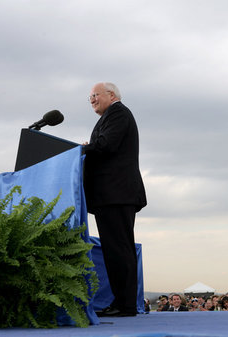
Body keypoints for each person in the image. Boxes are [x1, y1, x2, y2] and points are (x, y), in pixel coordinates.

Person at [83, 82, 147, 317]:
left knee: (119, 249)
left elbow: (107, 145)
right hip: (110, 195)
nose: (91, 99)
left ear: (111, 95)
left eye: (94, 95)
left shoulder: (118, 112)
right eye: (89, 97)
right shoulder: (110, 115)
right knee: (114, 250)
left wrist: (83, 149)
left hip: (116, 193)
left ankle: (126, 305)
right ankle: (122, 302)